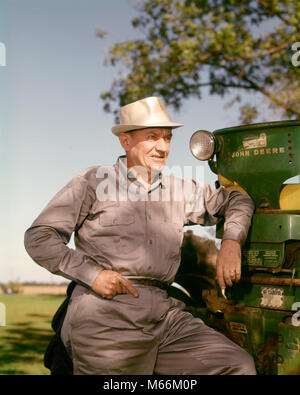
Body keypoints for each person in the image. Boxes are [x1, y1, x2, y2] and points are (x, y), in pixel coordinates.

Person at [24, 96, 256, 375]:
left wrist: (231, 241)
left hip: (165, 315)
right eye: (152, 137)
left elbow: (238, 200)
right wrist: (92, 275)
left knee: (236, 365)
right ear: (126, 141)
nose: (163, 147)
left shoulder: (180, 189)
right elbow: (39, 237)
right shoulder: (93, 181)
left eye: (168, 138)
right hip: (106, 315)